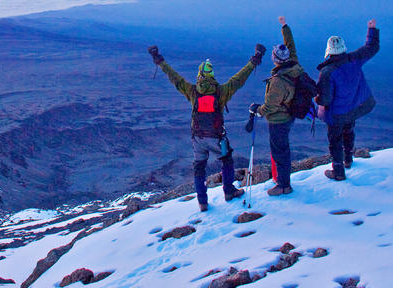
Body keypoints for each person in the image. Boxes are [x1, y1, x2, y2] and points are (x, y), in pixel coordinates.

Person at [148, 44, 266, 211]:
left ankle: (202, 202)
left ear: (199, 75)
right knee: (226, 160)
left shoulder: (192, 91)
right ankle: (228, 191)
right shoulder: (221, 91)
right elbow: (239, 79)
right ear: (212, 75)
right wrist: (254, 61)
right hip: (216, 136)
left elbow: (175, 77)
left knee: (199, 167)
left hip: (197, 137)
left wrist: (159, 61)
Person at [316, 19, 380, 181]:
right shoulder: (353, 59)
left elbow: (326, 98)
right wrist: (371, 29)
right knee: (349, 131)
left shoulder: (327, 72)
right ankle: (348, 159)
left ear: (328, 51)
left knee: (335, 140)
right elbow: (371, 48)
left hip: (337, 113)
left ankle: (338, 172)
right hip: (353, 108)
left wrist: (317, 99)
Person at [250, 16, 303, 196]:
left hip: (279, 119)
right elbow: (291, 45)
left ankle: (283, 185)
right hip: (289, 114)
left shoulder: (278, 81)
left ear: (275, 60)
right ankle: (281, 179)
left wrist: (258, 111)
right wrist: (285, 27)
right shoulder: (294, 64)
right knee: (282, 148)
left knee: (280, 151)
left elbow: (271, 106)